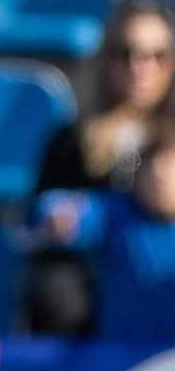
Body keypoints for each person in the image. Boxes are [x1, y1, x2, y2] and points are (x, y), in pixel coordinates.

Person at [33, 119, 175, 344]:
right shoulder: (115, 212)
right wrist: (56, 213)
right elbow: (68, 209)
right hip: (119, 360)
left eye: (170, 163)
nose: (159, 173)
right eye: (150, 162)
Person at [38, 0, 175, 196]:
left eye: (157, 56)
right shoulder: (72, 143)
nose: (138, 68)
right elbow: (42, 211)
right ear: (106, 59)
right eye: (124, 53)